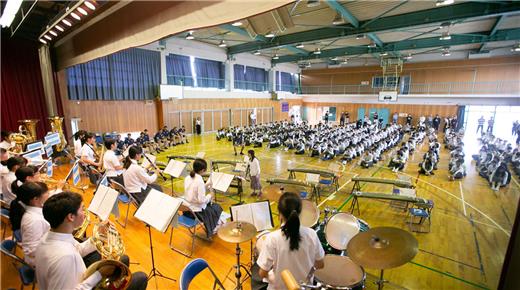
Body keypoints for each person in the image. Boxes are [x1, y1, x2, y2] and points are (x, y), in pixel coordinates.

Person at [35, 191, 148, 290]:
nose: (85, 213)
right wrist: (100, 274)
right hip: (81, 283)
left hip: (76, 277)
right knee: (141, 277)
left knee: (123, 259)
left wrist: (99, 235)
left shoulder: (51, 235)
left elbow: (78, 249)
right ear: (71, 217)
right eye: (82, 209)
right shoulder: (66, 257)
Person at [257, 192, 325, 290]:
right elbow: (320, 264)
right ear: (300, 212)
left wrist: (271, 276)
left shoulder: (272, 238)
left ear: (280, 214)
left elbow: (262, 273)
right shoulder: (312, 234)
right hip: (304, 287)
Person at [183, 158, 223, 238]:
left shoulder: (188, 177)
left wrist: (205, 185)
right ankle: (213, 228)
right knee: (217, 207)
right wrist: (210, 195)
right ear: (202, 170)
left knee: (212, 206)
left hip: (187, 208)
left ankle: (214, 224)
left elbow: (193, 191)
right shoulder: (199, 180)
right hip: (196, 212)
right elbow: (201, 201)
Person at [18, 182, 50, 267]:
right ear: (35, 199)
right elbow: (31, 250)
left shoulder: (37, 208)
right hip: (39, 260)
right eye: (45, 193)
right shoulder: (34, 221)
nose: (48, 194)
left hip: (45, 248)